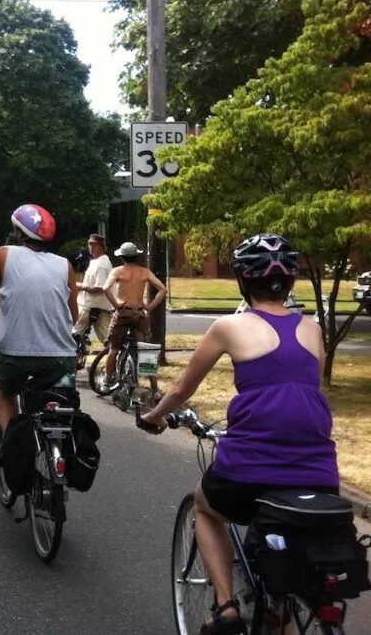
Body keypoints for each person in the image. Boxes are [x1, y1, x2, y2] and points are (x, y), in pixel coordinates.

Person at [139, 233, 339, 635]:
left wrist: (154, 417)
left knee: (203, 505)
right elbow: (304, 393)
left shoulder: (227, 326)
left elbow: (181, 390)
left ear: (243, 282)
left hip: (250, 466)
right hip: (320, 470)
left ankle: (226, 606)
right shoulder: (313, 330)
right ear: (291, 282)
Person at [0, 203, 78, 435]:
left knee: (6, 392)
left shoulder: (3, 254)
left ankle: (12, 446)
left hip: (16, 354)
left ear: (18, 232)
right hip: (61, 355)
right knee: (57, 397)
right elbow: (73, 315)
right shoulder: (64, 265)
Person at [101, 241, 167, 389]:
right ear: (136, 256)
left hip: (123, 312)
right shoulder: (144, 272)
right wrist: (149, 307)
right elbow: (163, 289)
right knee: (145, 350)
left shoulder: (117, 271)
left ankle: (107, 381)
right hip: (139, 313)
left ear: (122, 257)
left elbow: (105, 288)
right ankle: (154, 388)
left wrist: (117, 305)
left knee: (114, 348)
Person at [73, 233, 114, 345]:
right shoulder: (95, 261)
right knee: (108, 341)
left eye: (94, 244)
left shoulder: (101, 264)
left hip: (93, 307)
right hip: (92, 306)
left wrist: (81, 287)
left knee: (73, 336)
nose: (91, 247)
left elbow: (100, 288)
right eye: (89, 244)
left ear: (101, 246)